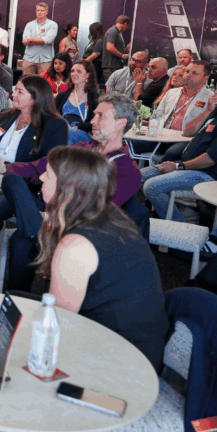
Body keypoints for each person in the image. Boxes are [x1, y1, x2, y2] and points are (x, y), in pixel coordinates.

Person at [0, 93, 142, 291]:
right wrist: (5, 167)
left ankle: (16, 297)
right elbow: (39, 166)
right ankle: (36, 233)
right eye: (94, 115)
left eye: (100, 116)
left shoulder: (127, 170)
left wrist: (54, 217)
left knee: (19, 240)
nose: (92, 121)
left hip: (72, 223)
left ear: (120, 123)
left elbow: (97, 211)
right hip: (43, 208)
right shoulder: (81, 148)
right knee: (11, 181)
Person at [33, 146, 169, 371]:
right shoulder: (111, 216)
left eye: (48, 174)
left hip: (117, 366)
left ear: (67, 188)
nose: (40, 177)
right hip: (143, 349)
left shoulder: (75, 247)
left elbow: (57, 327)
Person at [141, 76, 217, 223]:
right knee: (138, 175)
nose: (216, 91)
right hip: (192, 167)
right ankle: (181, 212)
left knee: (152, 186)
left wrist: (178, 167)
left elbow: (211, 158)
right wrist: (208, 110)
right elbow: (188, 132)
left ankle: (179, 229)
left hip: (210, 175)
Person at [0, 75, 67, 164]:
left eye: (20, 92)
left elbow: (50, 163)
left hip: (21, 176)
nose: (13, 94)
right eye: (15, 89)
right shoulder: (4, 116)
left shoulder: (55, 125)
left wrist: (8, 169)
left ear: (35, 97)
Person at [57, 60, 99, 145]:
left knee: (68, 133)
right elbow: (52, 114)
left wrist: (76, 127)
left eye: (79, 71)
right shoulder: (62, 96)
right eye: (72, 71)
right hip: (62, 130)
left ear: (88, 75)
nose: (74, 74)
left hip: (83, 134)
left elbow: (96, 122)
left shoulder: (95, 98)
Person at [19, 2, 57, 76]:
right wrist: (42, 40)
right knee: (27, 83)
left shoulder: (52, 24)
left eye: (42, 10)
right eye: (38, 10)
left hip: (45, 60)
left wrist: (31, 40)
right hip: (29, 59)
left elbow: (48, 40)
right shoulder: (29, 25)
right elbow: (25, 41)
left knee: (43, 83)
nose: (39, 12)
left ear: (46, 12)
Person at [101, 15, 131, 82]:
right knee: (110, 88)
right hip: (111, 66)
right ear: (125, 23)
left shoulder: (118, 32)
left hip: (114, 66)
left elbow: (113, 47)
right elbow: (109, 47)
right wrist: (122, 56)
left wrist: (125, 50)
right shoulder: (113, 31)